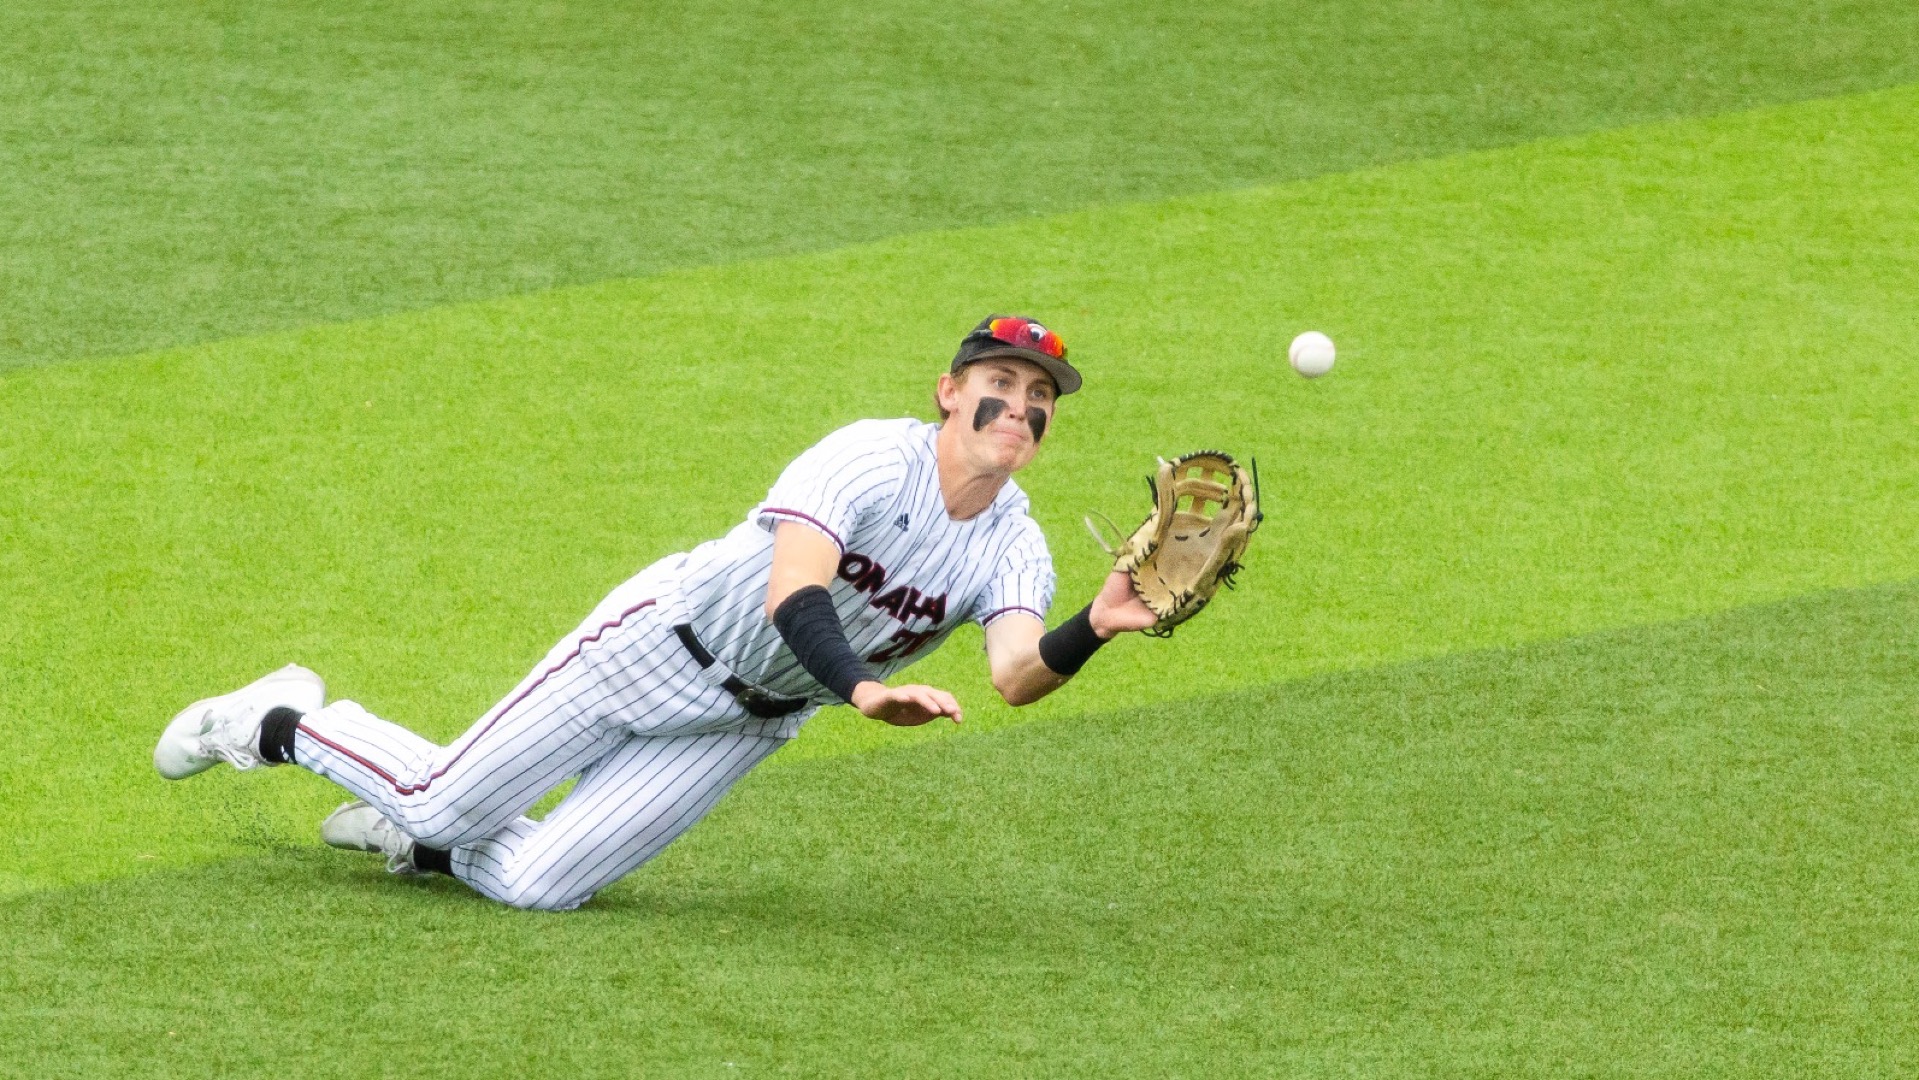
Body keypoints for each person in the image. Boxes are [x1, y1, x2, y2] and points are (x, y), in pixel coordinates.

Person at [155, 315, 1157, 910]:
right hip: (647, 648)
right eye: (998, 382)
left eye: (1038, 396)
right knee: (440, 795)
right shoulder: (866, 456)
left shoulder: (1014, 540)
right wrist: (858, 689)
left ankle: (418, 833)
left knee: (542, 887)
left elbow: (1016, 673)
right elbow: (792, 592)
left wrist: (1095, 627)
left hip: (743, 722)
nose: (1019, 407)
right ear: (948, 392)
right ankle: (278, 718)